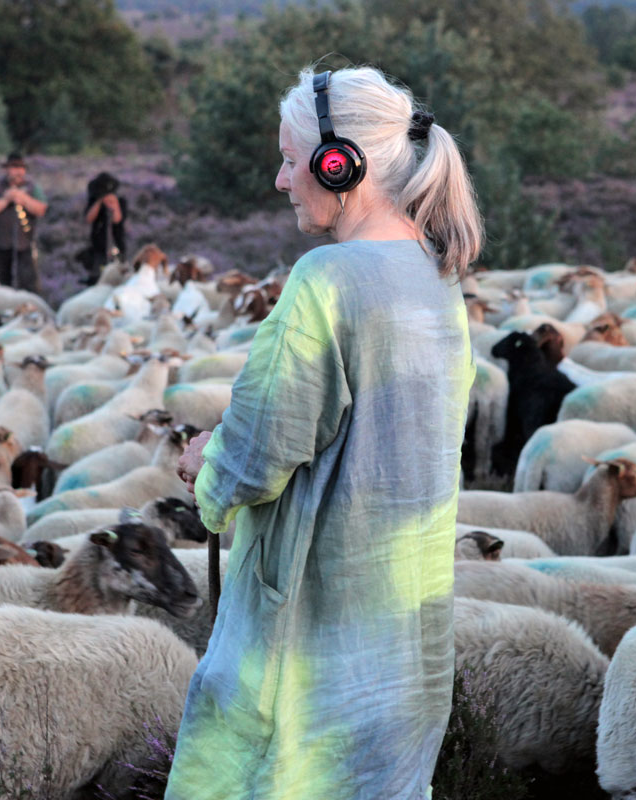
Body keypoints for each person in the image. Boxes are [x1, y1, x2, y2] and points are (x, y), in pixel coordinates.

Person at [166, 65, 482, 800]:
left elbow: (255, 457)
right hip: (404, 643)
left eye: (290, 160)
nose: (281, 180)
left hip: (311, 647)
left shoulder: (327, 279)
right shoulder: (435, 277)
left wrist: (206, 461)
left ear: (340, 164)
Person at [0, 152, 48, 293]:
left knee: (28, 283)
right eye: (14, 167)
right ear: (7, 169)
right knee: (1, 283)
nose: (18, 171)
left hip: (25, 243)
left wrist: (23, 199)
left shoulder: (32, 188)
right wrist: (6, 199)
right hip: (0, 242)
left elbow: (41, 209)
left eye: (21, 167)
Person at [81, 171, 127, 285]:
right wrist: (100, 201)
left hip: (116, 245)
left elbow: (117, 219)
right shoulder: (94, 201)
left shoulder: (120, 201)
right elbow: (89, 218)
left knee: (119, 275)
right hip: (99, 247)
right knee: (98, 277)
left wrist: (113, 203)